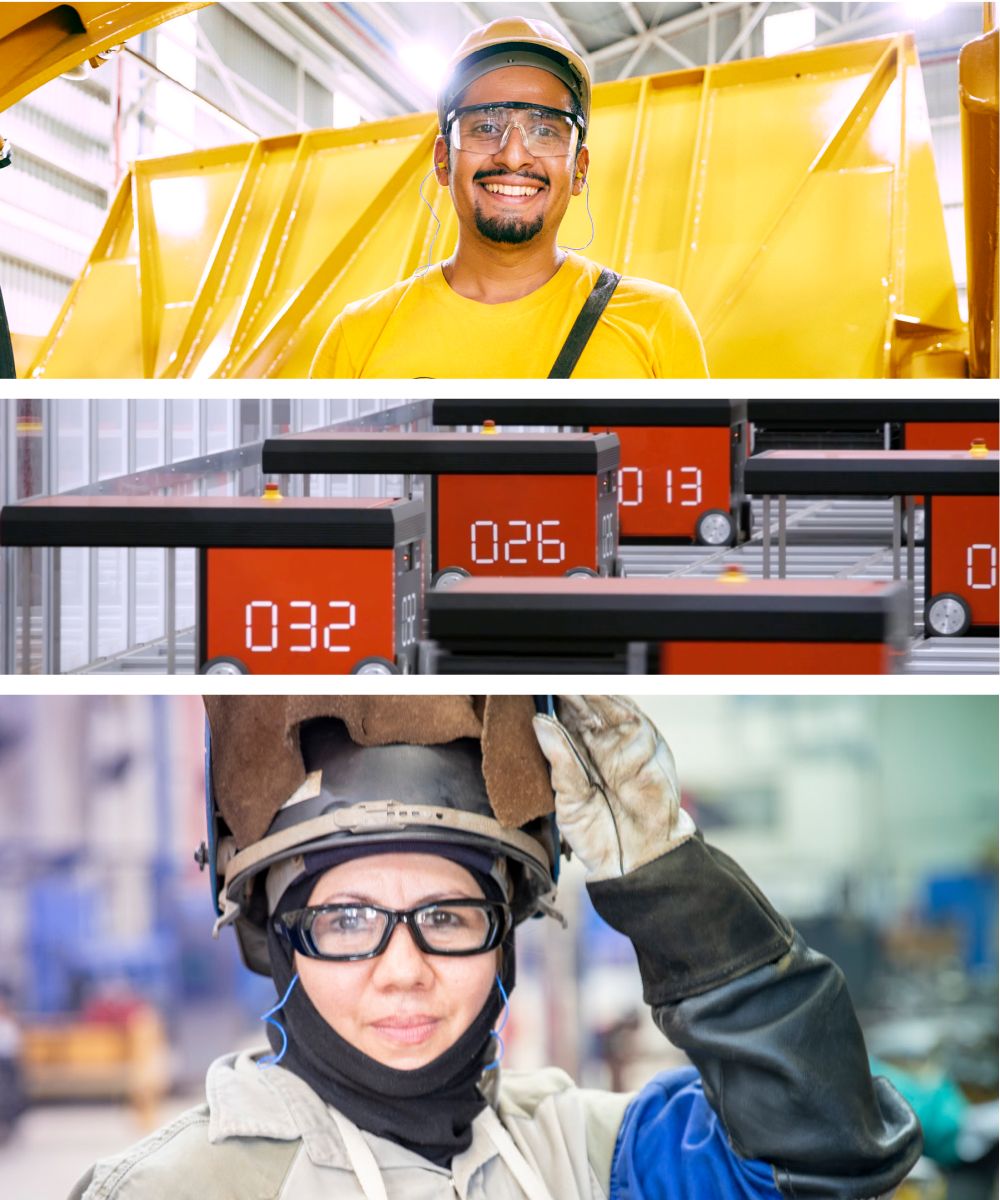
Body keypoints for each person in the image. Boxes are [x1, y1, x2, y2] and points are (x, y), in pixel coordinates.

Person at [70, 695, 920, 1199]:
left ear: (506, 934)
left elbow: (830, 1150)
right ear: (279, 943)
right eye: (349, 922)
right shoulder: (173, 1189)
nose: (404, 972)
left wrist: (669, 878)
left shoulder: (589, 1158)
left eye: (447, 917)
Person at [309, 19, 709, 379]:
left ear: (579, 170)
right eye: (485, 126)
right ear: (444, 160)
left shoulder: (655, 324)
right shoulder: (357, 338)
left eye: (546, 131)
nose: (513, 155)